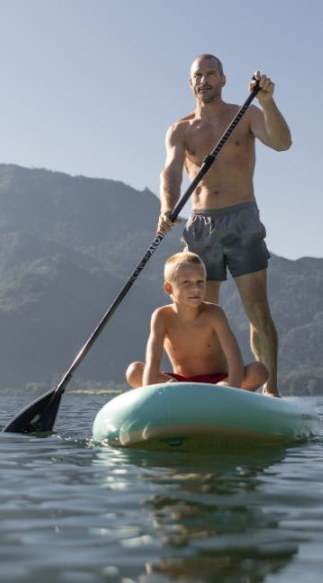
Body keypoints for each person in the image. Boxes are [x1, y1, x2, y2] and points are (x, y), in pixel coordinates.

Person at [157, 54, 292, 396]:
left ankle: (271, 392)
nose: (204, 80)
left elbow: (281, 143)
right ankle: (214, 389)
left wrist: (267, 101)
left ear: (223, 79)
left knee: (258, 310)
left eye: (211, 74)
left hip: (242, 219)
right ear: (191, 83)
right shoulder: (181, 129)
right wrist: (167, 207)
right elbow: (171, 169)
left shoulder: (245, 114)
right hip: (201, 226)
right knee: (202, 315)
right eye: (198, 75)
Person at [126, 251, 269, 390]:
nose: (196, 288)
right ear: (169, 288)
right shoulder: (161, 316)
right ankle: (179, 392)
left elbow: (235, 360)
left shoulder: (214, 314)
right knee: (134, 371)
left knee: (258, 370)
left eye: (200, 282)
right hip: (180, 383)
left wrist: (231, 389)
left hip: (219, 382)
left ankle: (228, 396)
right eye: (186, 282)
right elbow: (153, 362)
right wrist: (150, 396)